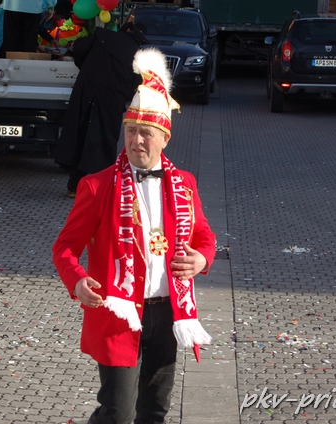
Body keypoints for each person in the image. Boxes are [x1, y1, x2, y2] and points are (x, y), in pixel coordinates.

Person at [53, 48, 216, 424]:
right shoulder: (97, 186)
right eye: (130, 131)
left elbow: (204, 235)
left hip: (168, 313)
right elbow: (64, 247)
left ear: (164, 138)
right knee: (118, 414)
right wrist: (76, 281)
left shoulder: (184, 184)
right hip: (119, 314)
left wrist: (202, 258)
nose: (136, 141)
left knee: (155, 411)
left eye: (146, 133)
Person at [54, 22, 148, 197]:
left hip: (85, 93)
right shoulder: (138, 55)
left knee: (80, 136)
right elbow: (136, 84)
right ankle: (104, 188)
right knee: (105, 142)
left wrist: (88, 68)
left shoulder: (102, 36)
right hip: (111, 102)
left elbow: (79, 49)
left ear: (126, 29)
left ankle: (73, 186)